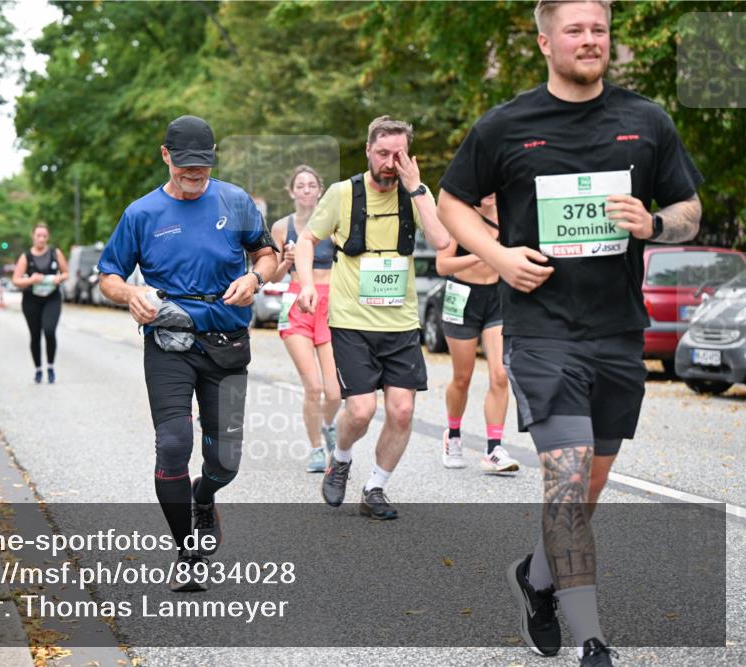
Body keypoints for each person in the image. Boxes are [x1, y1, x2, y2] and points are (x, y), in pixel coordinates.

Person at [436, 2, 703, 665]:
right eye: (576, 30)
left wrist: (654, 225)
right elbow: (451, 201)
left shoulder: (646, 121)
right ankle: (592, 637)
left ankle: (536, 576)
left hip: (617, 332)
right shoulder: (507, 125)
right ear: (545, 39)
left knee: (588, 487)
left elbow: (691, 210)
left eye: (600, 30)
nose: (590, 40)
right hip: (541, 331)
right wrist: (497, 258)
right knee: (564, 473)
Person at [97, 115, 277, 589]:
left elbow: (268, 254)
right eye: (185, 171)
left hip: (228, 343)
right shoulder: (142, 214)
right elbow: (108, 276)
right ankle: (188, 551)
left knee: (226, 462)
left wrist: (254, 278)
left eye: (201, 170)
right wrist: (130, 296)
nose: (194, 179)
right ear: (165, 157)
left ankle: (206, 498)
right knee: (175, 445)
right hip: (169, 345)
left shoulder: (235, 201)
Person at [295, 115, 450, 521]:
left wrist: (416, 188)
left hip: (400, 324)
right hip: (351, 321)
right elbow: (306, 242)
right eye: (382, 153)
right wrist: (308, 284)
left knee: (401, 411)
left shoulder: (416, 194)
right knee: (361, 411)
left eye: (398, 154)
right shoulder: (342, 194)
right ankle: (341, 458)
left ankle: (375, 488)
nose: (389, 162)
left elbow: (442, 240)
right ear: (368, 150)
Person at [436, 193, 519, 473]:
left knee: (500, 373)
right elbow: (442, 264)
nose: (489, 193)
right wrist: (479, 254)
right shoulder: (461, 218)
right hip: (462, 297)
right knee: (463, 377)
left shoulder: (509, 215)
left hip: (496, 298)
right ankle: (453, 435)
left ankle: (494, 449)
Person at [269, 166, 341, 473]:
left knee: (335, 391)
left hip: (331, 302)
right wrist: (285, 261)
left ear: (320, 190)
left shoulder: (334, 224)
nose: (307, 190)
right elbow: (271, 276)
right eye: (301, 185)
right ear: (292, 191)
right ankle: (315, 449)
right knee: (313, 386)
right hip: (296, 301)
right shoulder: (281, 227)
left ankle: (328, 424)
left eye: (312, 185)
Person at [12, 225, 68, 383]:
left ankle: (50, 366)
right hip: (31, 299)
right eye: (38, 235)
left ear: (48, 237)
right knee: (35, 335)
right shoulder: (26, 256)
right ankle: (38, 369)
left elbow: (66, 272)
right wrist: (31, 279)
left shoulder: (55, 253)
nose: (41, 238)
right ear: (33, 236)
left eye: (44, 236)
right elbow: (16, 280)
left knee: (49, 331)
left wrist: (60, 278)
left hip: (52, 298)